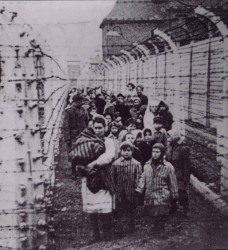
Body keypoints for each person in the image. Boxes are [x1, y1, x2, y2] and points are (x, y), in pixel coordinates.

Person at [77, 115, 116, 242]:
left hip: (103, 176)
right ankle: (95, 234)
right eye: (95, 128)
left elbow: (109, 156)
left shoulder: (109, 141)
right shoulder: (86, 141)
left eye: (100, 128)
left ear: (105, 128)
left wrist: (93, 163)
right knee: (91, 207)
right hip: (89, 177)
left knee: (105, 206)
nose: (98, 130)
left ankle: (107, 234)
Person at [136, 143, 178, 238]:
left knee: (161, 213)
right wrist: (139, 189)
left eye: (157, 152)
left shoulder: (168, 166)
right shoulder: (147, 165)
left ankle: (161, 229)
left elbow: (173, 181)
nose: (154, 154)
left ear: (162, 153)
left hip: (162, 193)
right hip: (150, 193)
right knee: (153, 212)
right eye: (153, 151)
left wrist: (174, 195)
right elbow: (143, 178)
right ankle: (156, 227)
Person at [110, 141, 142, 236]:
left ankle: (131, 226)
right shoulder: (116, 164)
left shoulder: (136, 164)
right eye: (124, 150)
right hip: (119, 191)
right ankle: (119, 228)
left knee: (130, 209)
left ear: (132, 151)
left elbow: (139, 177)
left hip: (131, 191)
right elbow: (112, 177)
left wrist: (137, 189)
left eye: (128, 150)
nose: (126, 152)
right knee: (119, 210)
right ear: (120, 151)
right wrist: (113, 189)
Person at [63, 93, 89, 179]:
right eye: (80, 101)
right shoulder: (68, 111)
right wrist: (67, 138)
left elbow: (87, 122)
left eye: (81, 101)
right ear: (75, 101)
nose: (81, 103)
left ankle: (81, 170)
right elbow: (66, 125)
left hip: (82, 135)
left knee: (83, 153)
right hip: (73, 136)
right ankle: (73, 171)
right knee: (73, 155)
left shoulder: (84, 111)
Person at [166, 129, 191, 216]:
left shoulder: (183, 148)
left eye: (169, 136)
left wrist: (186, 178)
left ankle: (186, 209)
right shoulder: (169, 147)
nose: (168, 138)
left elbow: (187, 165)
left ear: (174, 137)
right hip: (170, 174)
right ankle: (173, 207)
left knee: (181, 191)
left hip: (179, 175)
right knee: (171, 190)